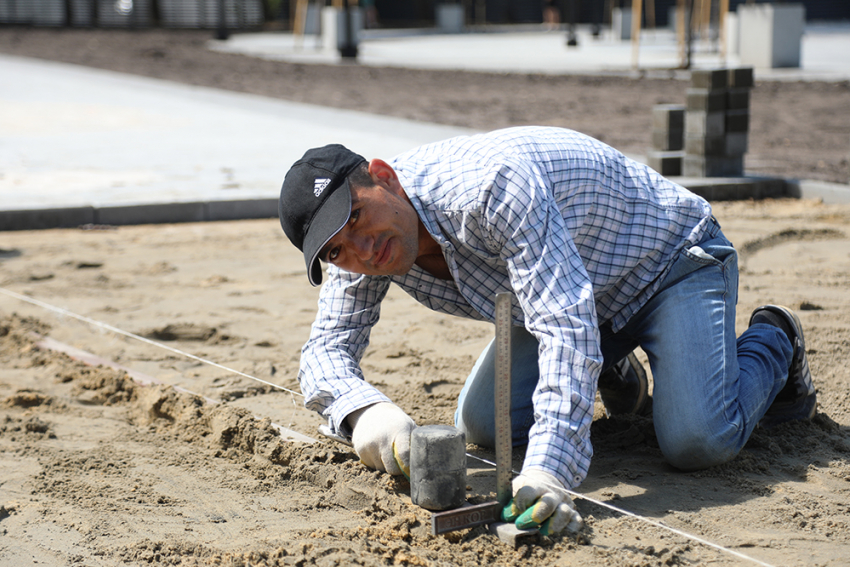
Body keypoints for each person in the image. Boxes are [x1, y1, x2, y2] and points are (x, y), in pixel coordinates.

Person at [277, 126, 816, 536]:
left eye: (356, 219)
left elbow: (562, 323)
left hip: (669, 264)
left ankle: (775, 338)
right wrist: (362, 413)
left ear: (383, 177)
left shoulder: (486, 187)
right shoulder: (365, 250)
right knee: (484, 424)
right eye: (336, 250)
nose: (361, 249)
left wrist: (549, 471)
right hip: (573, 295)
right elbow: (325, 349)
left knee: (697, 439)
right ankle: (610, 360)